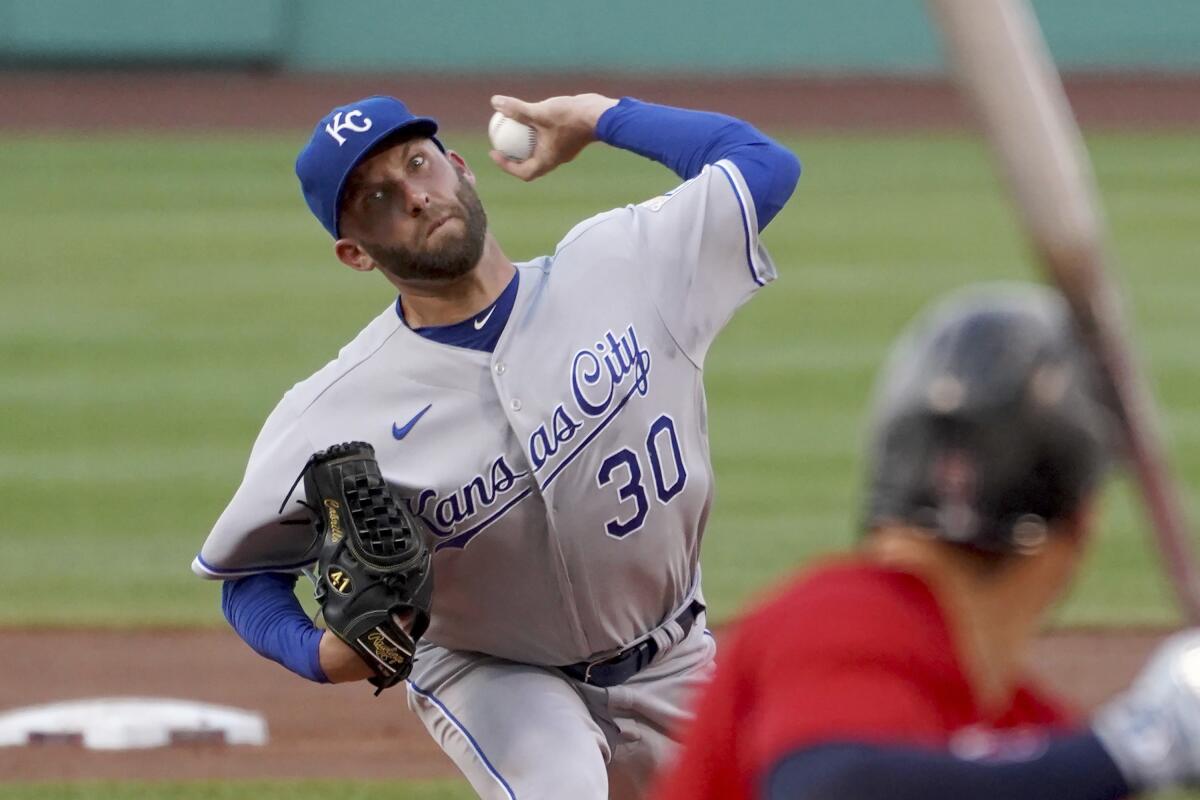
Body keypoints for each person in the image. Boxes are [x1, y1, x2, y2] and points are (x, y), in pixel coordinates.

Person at [190, 91, 801, 799]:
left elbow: (763, 164)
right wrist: (322, 655)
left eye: (419, 165)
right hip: (496, 673)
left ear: (460, 168)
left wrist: (597, 116)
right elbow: (244, 579)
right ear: (354, 253)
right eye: (379, 197)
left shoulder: (625, 266)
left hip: (676, 652)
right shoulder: (331, 411)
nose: (415, 197)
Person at [653, 284, 1200, 800]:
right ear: (1084, 521)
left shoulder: (1024, 740)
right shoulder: (837, 617)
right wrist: (1139, 747)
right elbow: (828, 789)